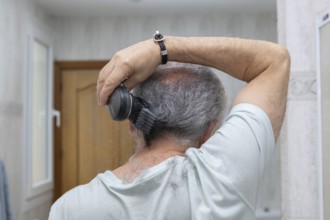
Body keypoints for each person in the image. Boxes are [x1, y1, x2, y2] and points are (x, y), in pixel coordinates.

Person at [49, 34, 290, 220]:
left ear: (132, 122)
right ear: (208, 133)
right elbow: (274, 61)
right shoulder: (222, 179)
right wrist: (161, 47)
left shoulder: (69, 208)